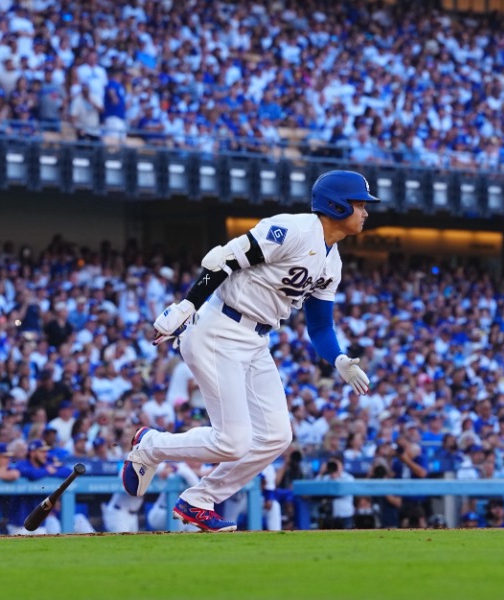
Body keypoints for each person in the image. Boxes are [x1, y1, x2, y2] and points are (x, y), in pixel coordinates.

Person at [122, 170, 379, 532]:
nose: (366, 211)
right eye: (359, 204)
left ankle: (199, 499)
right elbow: (226, 259)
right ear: (336, 205)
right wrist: (187, 305)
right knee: (232, 441)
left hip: (257, 340)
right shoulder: (293, 229)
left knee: (276, 436)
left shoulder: (332, 260)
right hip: (219, 329)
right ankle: (151, 446)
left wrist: (338, 359)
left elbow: (320, 325)